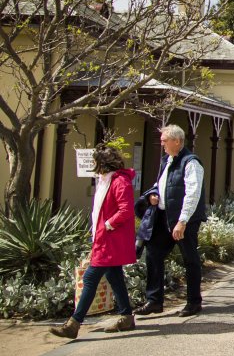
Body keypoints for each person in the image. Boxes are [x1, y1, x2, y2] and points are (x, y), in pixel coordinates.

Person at [50, 144, 137, 339]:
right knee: (115, 277)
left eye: (96, 160)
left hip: (109, 239)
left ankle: (74, 323)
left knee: (90, 278)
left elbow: (125, 210)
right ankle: (126, 317)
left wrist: (107, 225)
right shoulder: (106, 180)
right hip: (104, 237)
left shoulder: (119, 181)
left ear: (103, 163)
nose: (93, 164)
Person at [135, 124, 206, 317]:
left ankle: (193, 302)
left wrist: (182, 221)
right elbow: (160, 184)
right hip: (164, 217)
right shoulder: (166, 161)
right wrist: (152, 195)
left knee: (190, 260)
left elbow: (193, 193)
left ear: (177, 141)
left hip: (184, 220)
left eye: (165, 141)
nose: (162, 144)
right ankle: (154, 300)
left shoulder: (191, 162)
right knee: (153, 254)